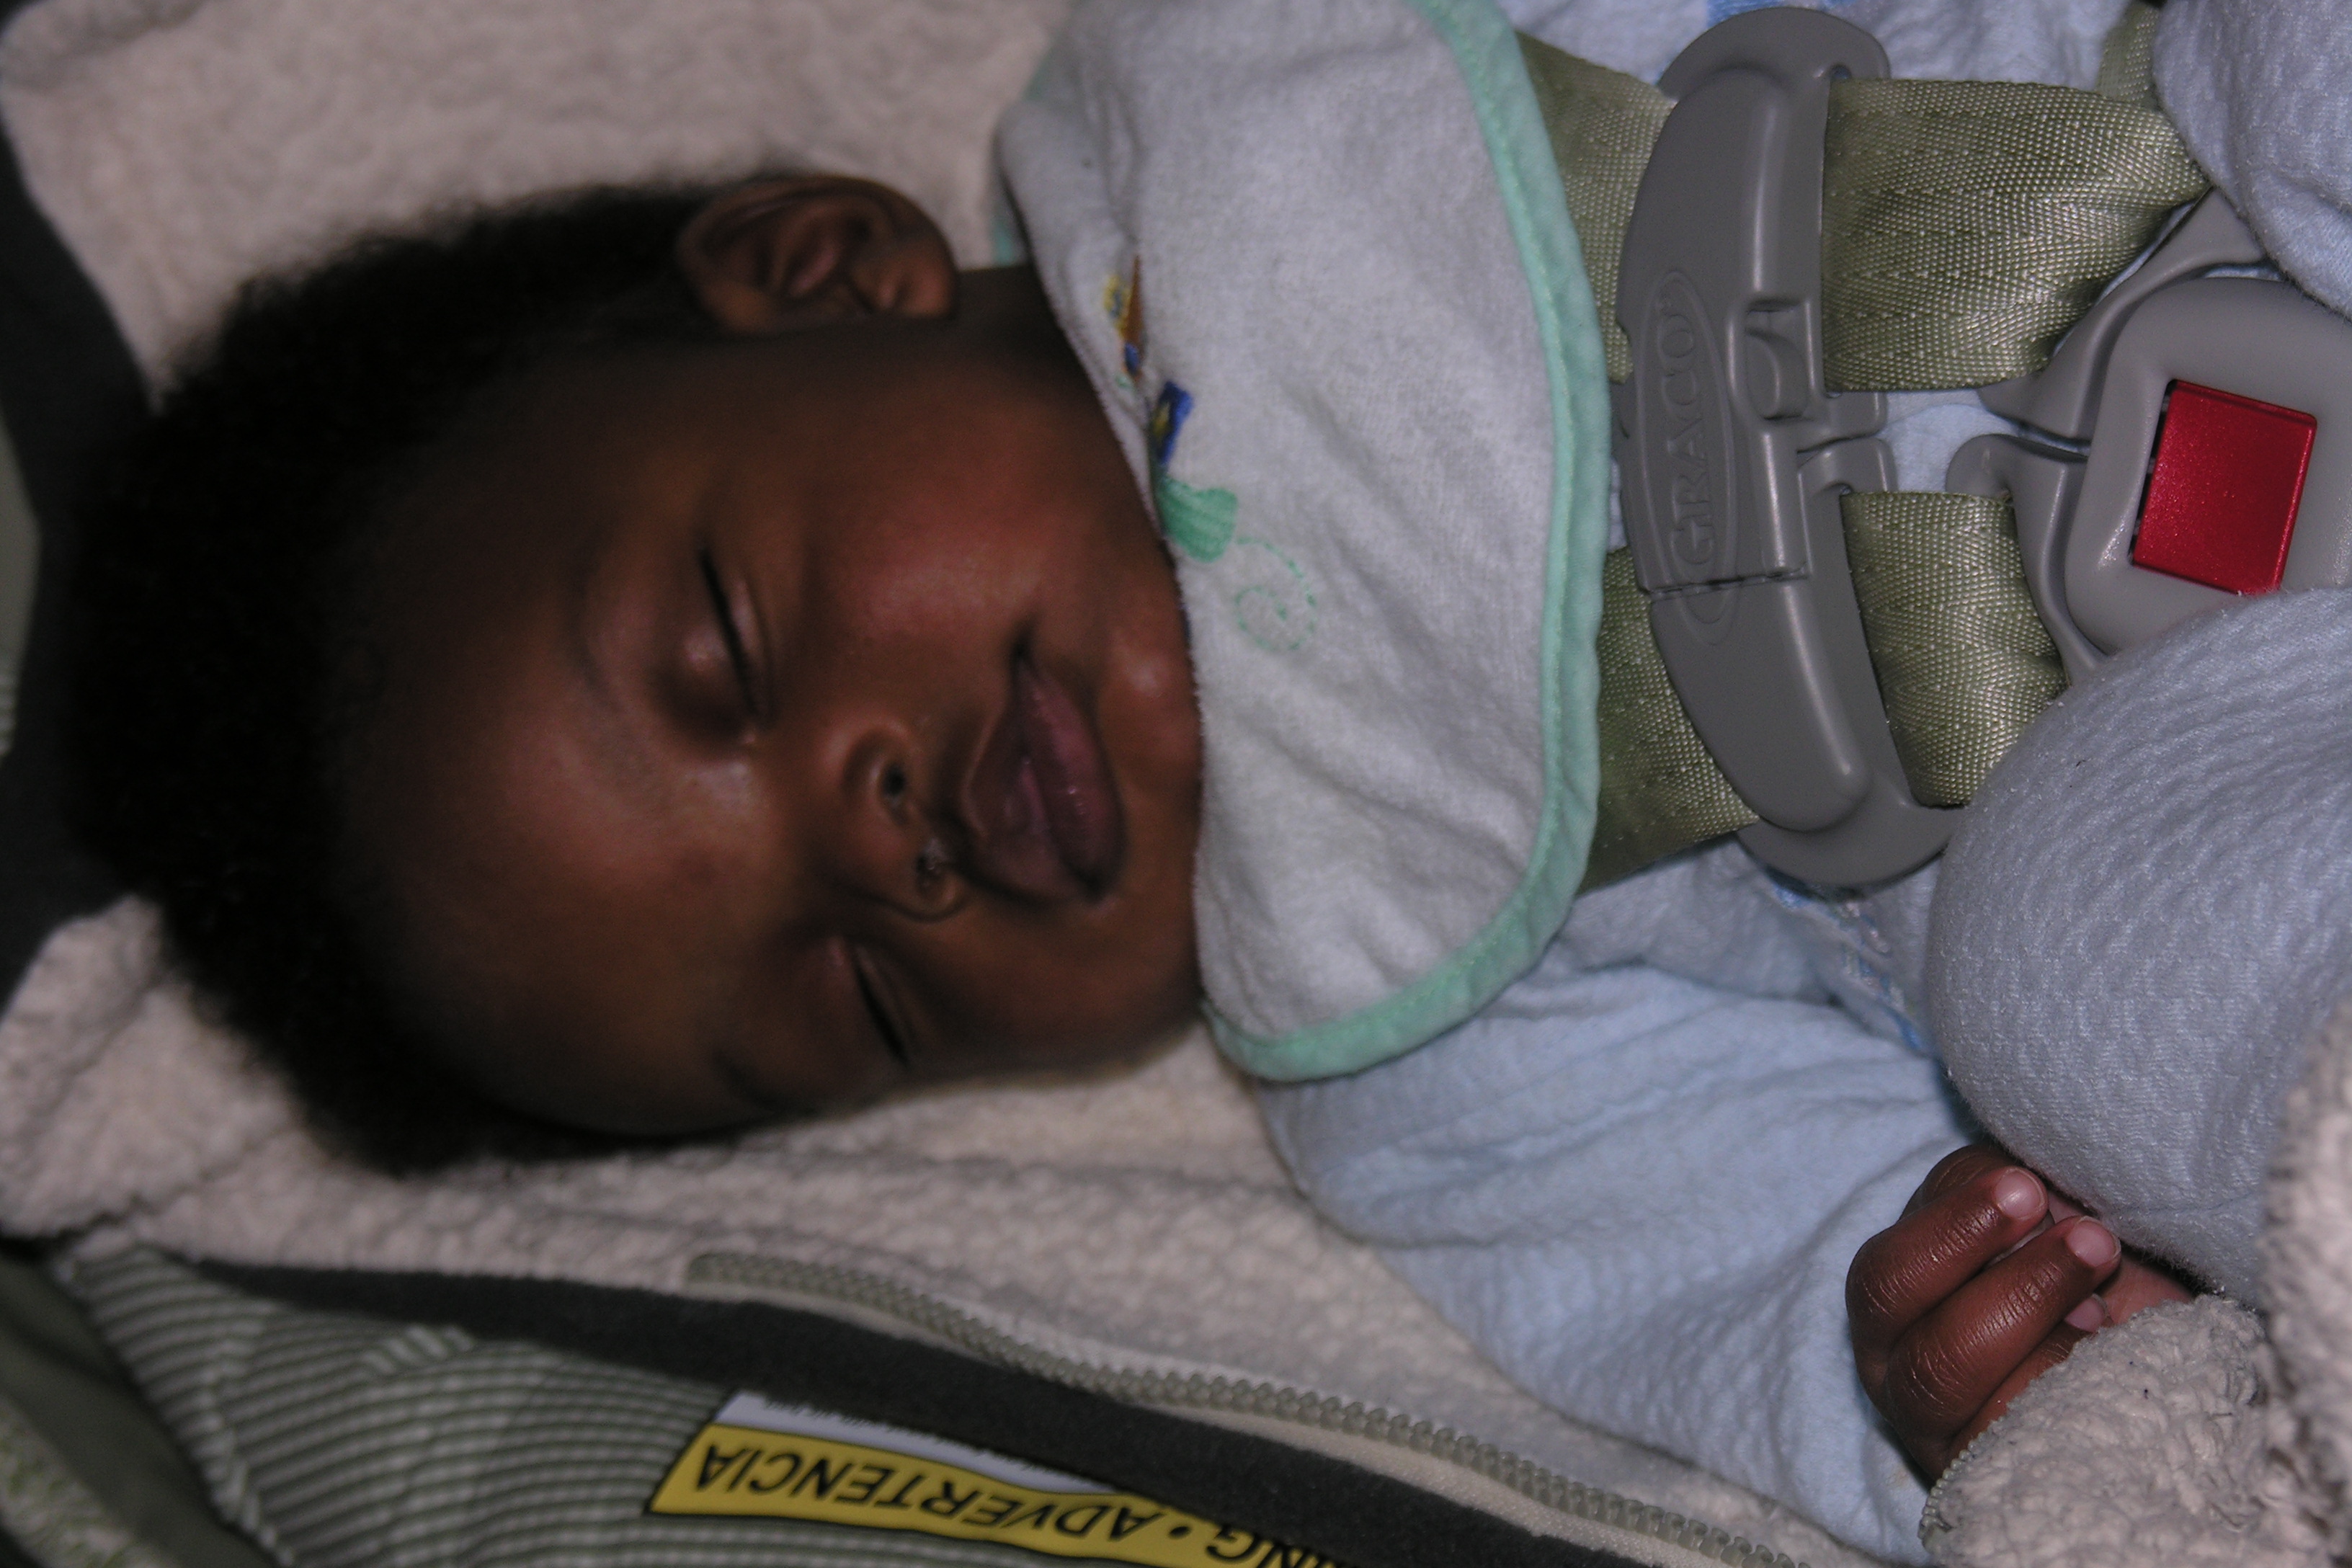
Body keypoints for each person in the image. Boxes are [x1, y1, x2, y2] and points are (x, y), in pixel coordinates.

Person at [61, 0, 2346, 1558]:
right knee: (2047, 990)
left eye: (737, 657)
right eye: (858, 994)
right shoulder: (1423, 1078)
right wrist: (1951, 1376)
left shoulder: (1263, 64)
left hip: (2184, 130)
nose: (881, 839)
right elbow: (1758, 1265)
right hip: (2219, 781)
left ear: (819, 268)